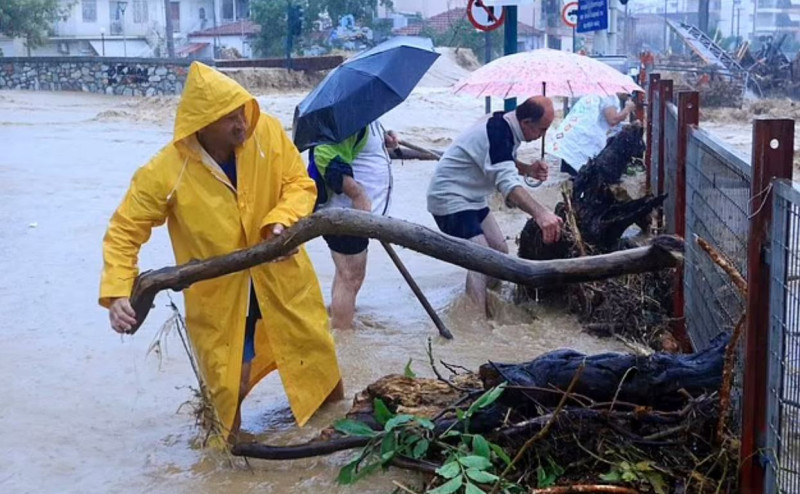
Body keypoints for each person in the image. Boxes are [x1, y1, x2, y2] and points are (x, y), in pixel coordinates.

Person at [100, 62, 343, 444]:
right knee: (230, 378)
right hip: (221, 293)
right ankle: (223, 453)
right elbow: (125, 229)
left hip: (281, 275)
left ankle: (334, 436)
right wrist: (117, 291)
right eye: (229, 117)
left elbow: (299, 183)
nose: (241, 123)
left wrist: (280, 223)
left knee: (317, 358)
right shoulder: (167, 170)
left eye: (241, 111)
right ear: (202, 123)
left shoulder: (266, 133)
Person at [426, 96, 563, 315]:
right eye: (542, 129)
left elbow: (499, 160)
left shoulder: (504, 123)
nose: (543, 136)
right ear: (526, 122)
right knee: (479, 258)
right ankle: (477, 323)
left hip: (472, 198)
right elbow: (507, 185)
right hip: (449, 199)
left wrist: (527, 169)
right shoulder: (498, 132)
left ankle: (485, 302)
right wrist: (541, 213)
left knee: (499, 251)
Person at [308, 120, 398, 329]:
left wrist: (386, 138)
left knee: (349, 275)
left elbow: (361, 146)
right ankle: (343, 337)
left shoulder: (366, 117)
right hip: (345, 214)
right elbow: (325, 155)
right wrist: (357, 194)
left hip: (359, 215)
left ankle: (338, 320)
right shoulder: (346, 120)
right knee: (350, 276)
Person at [548, 93, 636, 176]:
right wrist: (627, 109)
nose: (629, 95)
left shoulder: (596, 93)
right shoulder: (609, 96)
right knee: (583, 178)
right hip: (581, 143)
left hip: (570, 138)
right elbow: (612, 120)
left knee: (573, 179)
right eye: (628, 93)